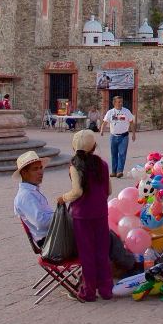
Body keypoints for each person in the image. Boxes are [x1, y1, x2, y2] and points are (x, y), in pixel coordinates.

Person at [58, 129, 113, 302]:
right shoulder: (102, 164)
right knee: (102, 252)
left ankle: (89, 291)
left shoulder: (75, 166)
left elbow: (77, 191)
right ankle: (105, 289)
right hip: (100, 213)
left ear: (74, 147)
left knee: (87, 254)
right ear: (94, 146)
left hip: (82, 215)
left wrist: (63, 198)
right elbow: (108, 190)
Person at [13, 151, 55, 243]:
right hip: (49, 241)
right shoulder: (25, 196)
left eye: (41, 168)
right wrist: (62, 215)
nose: (40, 172)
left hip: (52, 236)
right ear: (24, 173)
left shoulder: (32, 191)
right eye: (35, 169)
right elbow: (41, 222)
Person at [102, 96, 136, 178]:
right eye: (119, 102)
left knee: (122, 154)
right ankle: (114, 171)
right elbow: (105, 122)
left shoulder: (126, 111)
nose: (121, 103)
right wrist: (101, 130)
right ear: (114, 103)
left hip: (124, 136)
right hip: (113, 136)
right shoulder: (110, 112)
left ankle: (119, 171)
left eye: (121, 102)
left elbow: (131, 122)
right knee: (114, 154)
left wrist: (133, 134)